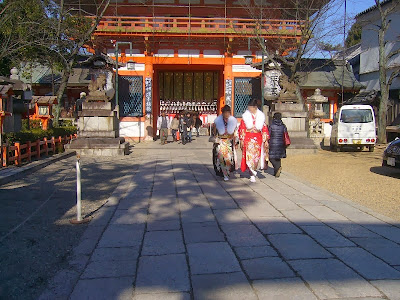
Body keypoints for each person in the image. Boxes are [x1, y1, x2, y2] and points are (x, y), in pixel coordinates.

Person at [239, 99, 269, 183]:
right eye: (249, 107)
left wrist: (265, 140)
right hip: (248, 138)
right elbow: (242, 128)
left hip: (257, 138)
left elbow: (264, 128)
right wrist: (241, 139)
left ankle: (253, 171)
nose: (250, 109)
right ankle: (251, 172)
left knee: (256, 157)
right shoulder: (246, 116)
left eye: (251, 107)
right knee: (249, 156)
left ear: (255, 107)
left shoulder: (261, 116)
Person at [212, 105, 238, 181]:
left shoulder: (232, 121)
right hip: (221, 142)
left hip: (229, 142)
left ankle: (228, 171)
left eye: (228, 112)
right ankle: (224, 174)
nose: (227, 114)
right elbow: (214, 132)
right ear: (222, 113)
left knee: (229, 159)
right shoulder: (218, 121)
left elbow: (235, 132)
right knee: (221, 159)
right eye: (225, 112)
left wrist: (236, 141)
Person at [268, 112, 288, 177]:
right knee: (278, 158)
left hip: (273, 143)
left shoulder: (271, 125)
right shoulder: (283, 126)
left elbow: (269, 134)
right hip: (281, 144)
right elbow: (286, 135)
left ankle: (277, 167)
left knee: (271, 157)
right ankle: (276, 172)